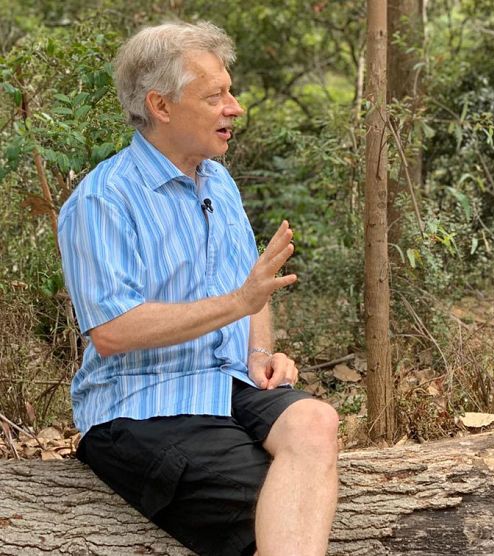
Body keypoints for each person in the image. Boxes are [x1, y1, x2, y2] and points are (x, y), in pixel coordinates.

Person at [58, 21, 339, 556]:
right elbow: (113, 331)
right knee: (276, 511)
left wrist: (259, 351)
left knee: (314, 420)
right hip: (141, 408)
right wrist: (238, 303)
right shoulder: (104, 199)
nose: (235, 107)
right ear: (161, 106)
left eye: (230, 91)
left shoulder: (218, 181)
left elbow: (247, 289)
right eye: (216, 96)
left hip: (229, 388)